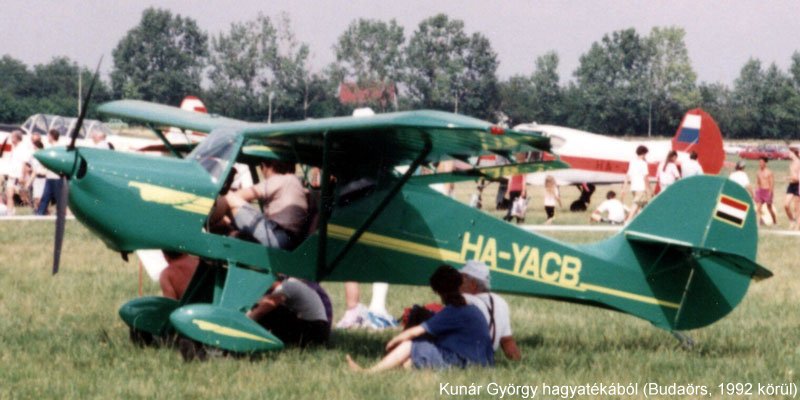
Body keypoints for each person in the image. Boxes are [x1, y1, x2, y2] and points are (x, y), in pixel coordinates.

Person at [346, 265, 493, 372]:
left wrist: (393, 342)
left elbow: (416, 332)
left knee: (410, 345)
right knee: (407, 363)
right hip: (480, 361)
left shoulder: (454, 311)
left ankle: (368, 373)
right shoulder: (470, 308)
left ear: (440, 292)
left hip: (465, 362)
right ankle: (404, 366)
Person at [210, 157, 307, 249]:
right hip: (290, 241)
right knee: (231, 228)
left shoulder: (282, 179)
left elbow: (240, 195)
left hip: (278, 237)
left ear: (264, 166)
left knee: (229, 197)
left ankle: (205, 219)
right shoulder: (297, 184)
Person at [458, 260, 521, 360]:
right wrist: (518, 363)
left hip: (462, 357)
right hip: (486, 359)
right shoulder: (501, 302)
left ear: (473, 284)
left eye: (461, 279)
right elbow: (507, 341)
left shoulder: (466, 299)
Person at [247, 274, 331, 347]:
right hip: (320, 333)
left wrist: (245, 322)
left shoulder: (287, 286)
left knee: (270, 311)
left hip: (314, 334)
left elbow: (261, 311)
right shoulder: (293, 283)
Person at [36, 130, 65, 215]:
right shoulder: (49, 147)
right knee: (45, 196)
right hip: (49, 176)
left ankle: (60, 214)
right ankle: (40, 213)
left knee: (58, 198)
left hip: (57, 177)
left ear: (52, 136)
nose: (47, 138)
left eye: (48, 136)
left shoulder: (59, 148)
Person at [621, 145, 652, 223]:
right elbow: (645, 178)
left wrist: (624, 187)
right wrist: (649, 189)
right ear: (644, 153)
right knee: (636, 204)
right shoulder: (643, 163)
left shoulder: (632, 162)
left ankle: (633, 220)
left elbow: (628, 175)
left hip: (634, 186)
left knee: (639, 205)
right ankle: (628, 220)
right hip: (641, 186)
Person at [755, 157, 777, 226]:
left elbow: (772, 183)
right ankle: (759, 222)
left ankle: (775, 222)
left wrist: (770, 193)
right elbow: (758, 182)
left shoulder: (769, 172)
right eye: (759, 162)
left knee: (769, 208)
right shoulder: (758, 172)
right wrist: (757, 190)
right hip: (760, 191)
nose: (760, 164)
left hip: (767, 191)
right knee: (758, 208)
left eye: (761, 162)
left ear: (765, 163)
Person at [785, 148, 800, 229]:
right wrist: (789, 178)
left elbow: (797, 178)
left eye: (789, 152)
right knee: (786, 205)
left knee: (797, 208)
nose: (788, 154)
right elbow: (793, 176)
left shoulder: (799, 163)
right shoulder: (791, 164)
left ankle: (797, 226)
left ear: (794, 153)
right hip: (791, 185)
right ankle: (791, 220)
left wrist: (789, 178)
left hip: (797, 185)